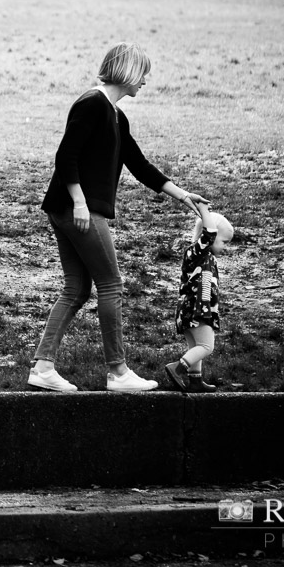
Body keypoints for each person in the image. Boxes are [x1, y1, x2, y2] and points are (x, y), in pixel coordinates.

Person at [28, 42, 209, 393]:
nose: (146, 80)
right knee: (111, 285)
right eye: (143, 72)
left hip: (68, 208)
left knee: (77, 288)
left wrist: (184, 196)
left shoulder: (114, 115)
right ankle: (118, 372)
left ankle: (43, 367)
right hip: (75, 209)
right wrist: (80, 202)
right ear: (126, 71)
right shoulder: (91, 104)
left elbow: (139, 165)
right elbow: (66, 156)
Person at [165, 203, 234, 394]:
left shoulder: (204, 256)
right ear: (210, 236)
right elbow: (210, 232)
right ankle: (177, 368)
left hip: (192, 309)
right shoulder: (197, 252)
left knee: (195, 345)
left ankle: (195, 381)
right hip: (196, 309)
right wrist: (204, 210)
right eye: (224, 242)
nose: (225, 247)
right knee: (206, 346)